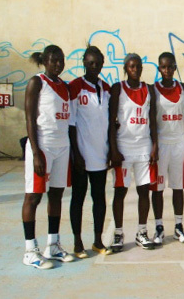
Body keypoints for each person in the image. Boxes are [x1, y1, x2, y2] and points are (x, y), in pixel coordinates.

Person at [21, 46, 73, 269]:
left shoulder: (65, 86)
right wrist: (35, 152)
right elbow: (30, 118)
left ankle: (53, 245)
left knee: (56, 196)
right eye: (53, 61)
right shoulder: (37, 82)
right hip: (43, 146)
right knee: (34, 197)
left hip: (62, 147)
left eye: (61, 60)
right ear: (45, 61)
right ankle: (30, 250)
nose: (58, 64)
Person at [108, 53, 158, 252]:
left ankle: (142, 232)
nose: (135, 70)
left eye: (138, 66)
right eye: (131, 66)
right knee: (120, 191)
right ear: (125, 69)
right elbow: (111, 121)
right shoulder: (118, 88)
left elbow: (152, 120)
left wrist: (155, 146)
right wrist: (113, 149)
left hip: (144, 146)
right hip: (124, 147)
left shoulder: (149, 89)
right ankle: (119, 233)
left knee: (143, 190)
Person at [68, 46, 112, 258]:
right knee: (78, 198)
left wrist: (111, 149)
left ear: (103, 64)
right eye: (90, 63)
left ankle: (97, 240)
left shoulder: (106, 88)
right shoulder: (75, 87)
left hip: (100, 154)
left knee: (99, 198)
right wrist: (76, 154)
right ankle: (77, 242)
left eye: (98, 63)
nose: (94, 67)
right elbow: (71, 124)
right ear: (84, 63)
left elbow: (110, 123)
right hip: (81, 156)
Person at [150, 52, 184, 245]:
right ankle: (159, 227)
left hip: (178, 143)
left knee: (178, 187)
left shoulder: (183, 88)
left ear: (175, 68)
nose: (167, 70)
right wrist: (154, 144)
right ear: (159, 68)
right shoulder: (154, 90)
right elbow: (150, 118)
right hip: (161, 144)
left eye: (170, 67)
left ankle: (178, 226)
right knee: (158, 188)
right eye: (163, 67)